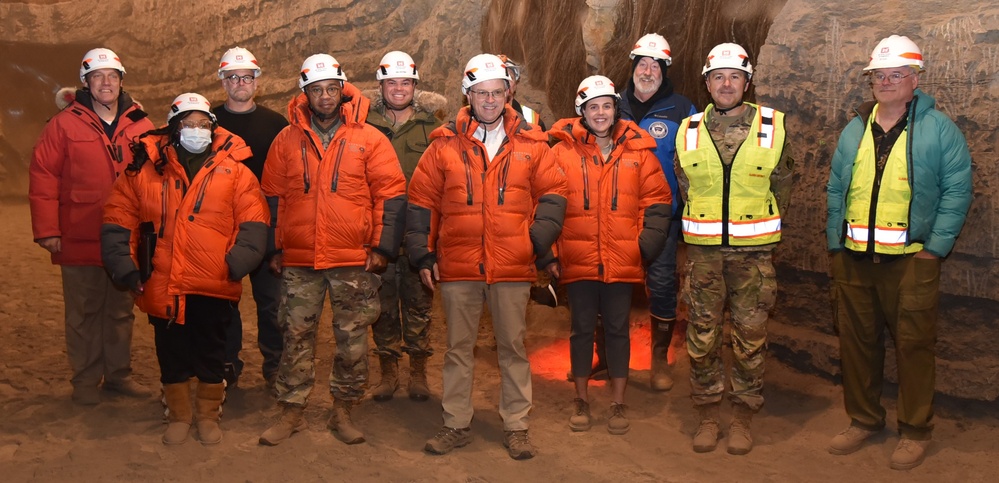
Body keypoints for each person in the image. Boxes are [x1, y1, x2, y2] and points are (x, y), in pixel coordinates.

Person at [406, 53, 567, 460]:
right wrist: (423, 255)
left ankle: (516, 425)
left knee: (512, 347)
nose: (490, 101)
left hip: (512, 265)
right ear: (468, 95)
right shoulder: (443, 145)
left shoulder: (532, 143)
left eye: (497, 93)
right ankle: (456, 423)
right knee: (458, 348)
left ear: (508, 93)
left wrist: (535, 240)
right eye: (482, 93)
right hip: (459, 264)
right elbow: (422, 201)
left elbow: (554, 193)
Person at [825, 35, 972, 471]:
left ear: (915, 79)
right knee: (857, 344)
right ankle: (864, 419)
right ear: (871, 80)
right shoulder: (856, 128)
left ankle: (915, 430)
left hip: (912, 260)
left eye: (897, 75)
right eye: (880, 75)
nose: (887, 82)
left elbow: (957, 191)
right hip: (854, 258)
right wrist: (836, 243)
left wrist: (935, 250)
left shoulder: (938, 128)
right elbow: (837, 187)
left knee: (914, 346)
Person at [101, 93, 269, 445]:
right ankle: (178, 414)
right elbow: (120, 220)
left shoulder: (236, 171)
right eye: (188, 124)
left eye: (203, 124)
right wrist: (128, 269)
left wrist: (234, 264)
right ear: (174, 129)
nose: (196, 130)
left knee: (211, 349)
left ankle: (208, 415)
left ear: (213, 127)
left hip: (213, 279)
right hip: (162, 278)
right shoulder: (143, 171)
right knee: (171, 349)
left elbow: (253, 223)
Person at [257, 54, 407, 446]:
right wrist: (273, 248)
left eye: (330, 89)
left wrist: (381, 247)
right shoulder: (286, 140)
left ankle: (344, 410)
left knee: (353, 338)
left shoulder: (370, 138)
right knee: (295, 334)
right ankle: (292, 410)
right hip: (301, 259)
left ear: (342, 90)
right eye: (316, 90)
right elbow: (273, 198)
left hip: (352, 259)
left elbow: (389, 196)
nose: (324, 97)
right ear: (304, 94)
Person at [675, 43, 794, 456]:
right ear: (707, 83)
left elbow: (784, 185)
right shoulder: (687, 130)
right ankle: (708, 415)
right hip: (704, 255)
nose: (726, 84)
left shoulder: (773, 127)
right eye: (718, 77)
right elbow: (684, 187)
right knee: (702, 337)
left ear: (747, 81)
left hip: (754, 257)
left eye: (735, 77)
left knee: (750, 338)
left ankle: (743, 416)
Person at [29, 47, 154, 405]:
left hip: (124, 237)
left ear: (120, 81)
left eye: (112, 76)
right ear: (85, 82)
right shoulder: (63, 125)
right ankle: (85, 381)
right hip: (78, 233)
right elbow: (43, 176)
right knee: (83, 312)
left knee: (119, 311)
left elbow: (154, 177)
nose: (106, 83)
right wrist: (48, 230)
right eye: (97, 76)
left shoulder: (141, 125)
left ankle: (117, 376)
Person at [549, 75, 671, 435]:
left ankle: (618, 403)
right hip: (578, 257)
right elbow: (545, 203)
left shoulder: (638, 152)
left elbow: (658, 200)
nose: (600, 113)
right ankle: (582, 400)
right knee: (581, 330)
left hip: (621, 259)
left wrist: (642, 248)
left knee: (618, 330)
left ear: (616, 110)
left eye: (606, 106)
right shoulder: (560, 153)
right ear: (581, 112)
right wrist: (552, 252)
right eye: (592, 107)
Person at [581, 33, 697, 391]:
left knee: (661, 284)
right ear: (633, 68)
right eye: (642, 65)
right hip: (612, 217)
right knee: (606, 282)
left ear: (665, 71)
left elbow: (693, 165)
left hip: (660, 217)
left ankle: (659, 358)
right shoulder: (613, 105)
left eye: (655, 66)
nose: (647, 71)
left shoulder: (682, 109)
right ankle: (605, 355)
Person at [366, 51, 446, 402]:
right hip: (378, 233)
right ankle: (388, 373)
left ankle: (417, 372)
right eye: (392, 82)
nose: (399, 89)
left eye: (406, 82)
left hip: (418, 234)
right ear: (381, 85)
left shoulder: (434, 128)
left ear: (416, 85)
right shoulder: (364, 127)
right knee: (380, 307)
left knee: (418, 306)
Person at [212, 46, 289, 391]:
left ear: (256, 82)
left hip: (266, 228)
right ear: (223, 82)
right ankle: (227, 365)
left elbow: (289, 180)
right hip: (220, 228)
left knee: (272, 303)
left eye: (246, 77)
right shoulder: (208, 122)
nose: (239, 83)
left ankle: (275, 366)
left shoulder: (276, 125)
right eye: (232, 78)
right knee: (223, 302)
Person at [499, 55, 545, 129]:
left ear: (515, 84)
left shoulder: (533, 120)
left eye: (510, 77)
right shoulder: (476, 118)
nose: (506, 83)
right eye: (500, 78)